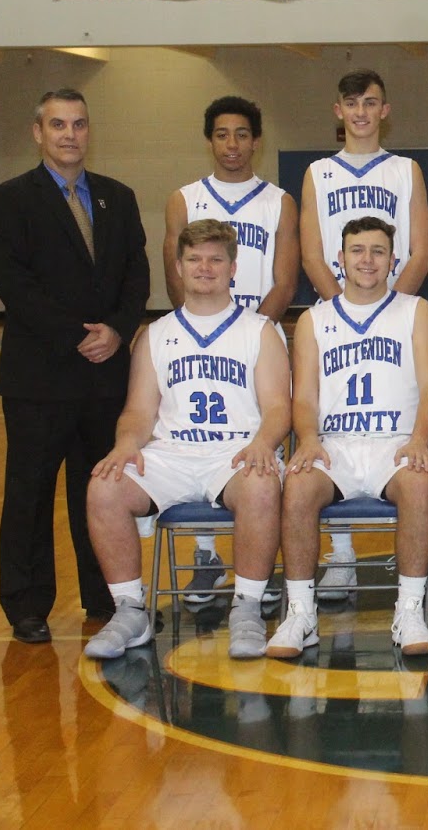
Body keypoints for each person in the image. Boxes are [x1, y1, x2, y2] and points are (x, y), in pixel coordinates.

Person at [0, 88, 150, 644]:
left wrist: (119, 330)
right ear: (38, 132)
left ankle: (104, 593)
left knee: (98, 487)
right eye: (58, 124)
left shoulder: (116, 198)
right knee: (29, 492)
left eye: (78, 124)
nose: (69, 134)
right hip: (40, 376)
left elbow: (135, 274)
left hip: (104, 379)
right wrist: (81, 337)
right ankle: (27, 605)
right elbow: (15, 286)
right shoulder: (9, 200)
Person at [82, 219, 291, 660]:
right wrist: (124, 446)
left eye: (216, 259)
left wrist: (262, 443)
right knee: (104, 487)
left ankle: (247, 607)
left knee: (259, 483)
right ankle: (131, 610)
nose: (205, 268)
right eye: (194, 259)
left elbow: (277, 408)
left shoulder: (259, 331)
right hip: (172, 454)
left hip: (233, 453)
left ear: (233, 268)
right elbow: (139, 412)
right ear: (177, 267)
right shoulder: (155, 335)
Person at [267, 217, 428, 658]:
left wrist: (421, 439)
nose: (367, 260)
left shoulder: (414, 310)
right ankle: (300, 614)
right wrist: (307, 438)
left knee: (420, 482)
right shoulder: (312, 320)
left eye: (378, 251)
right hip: (336, 443)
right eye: (358, 250)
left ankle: (410, 610)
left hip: (396, 441)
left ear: (393, 260)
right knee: (300, 485)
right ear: (340, 259)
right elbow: (303, 396)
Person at [165, 95, 299, 605]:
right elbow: (175, 276)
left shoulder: (278, 201)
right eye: (222, 134)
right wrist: (206, 330)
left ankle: (265, 563)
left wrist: (248, 330)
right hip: (196, 340)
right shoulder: (184, 199)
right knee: (196, 436)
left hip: (259, 336)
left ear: (257, 141)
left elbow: (285, 281)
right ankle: (205, 557)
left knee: (266, 445)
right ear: (209, 140)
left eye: (242, 134)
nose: (232, 145)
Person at [300, 70, 428, 593]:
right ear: (338, 111)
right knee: (331, 424)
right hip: (335, 313)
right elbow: (312, 252)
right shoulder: (317, 172)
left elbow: (420, 248)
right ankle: (343, 551)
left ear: (385, 110)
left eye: (370, 103)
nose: (360, 112)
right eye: (351, 103)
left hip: (394, 310)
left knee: (401, 410)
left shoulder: (405, 170)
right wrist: (347, 310)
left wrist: (387, 305)